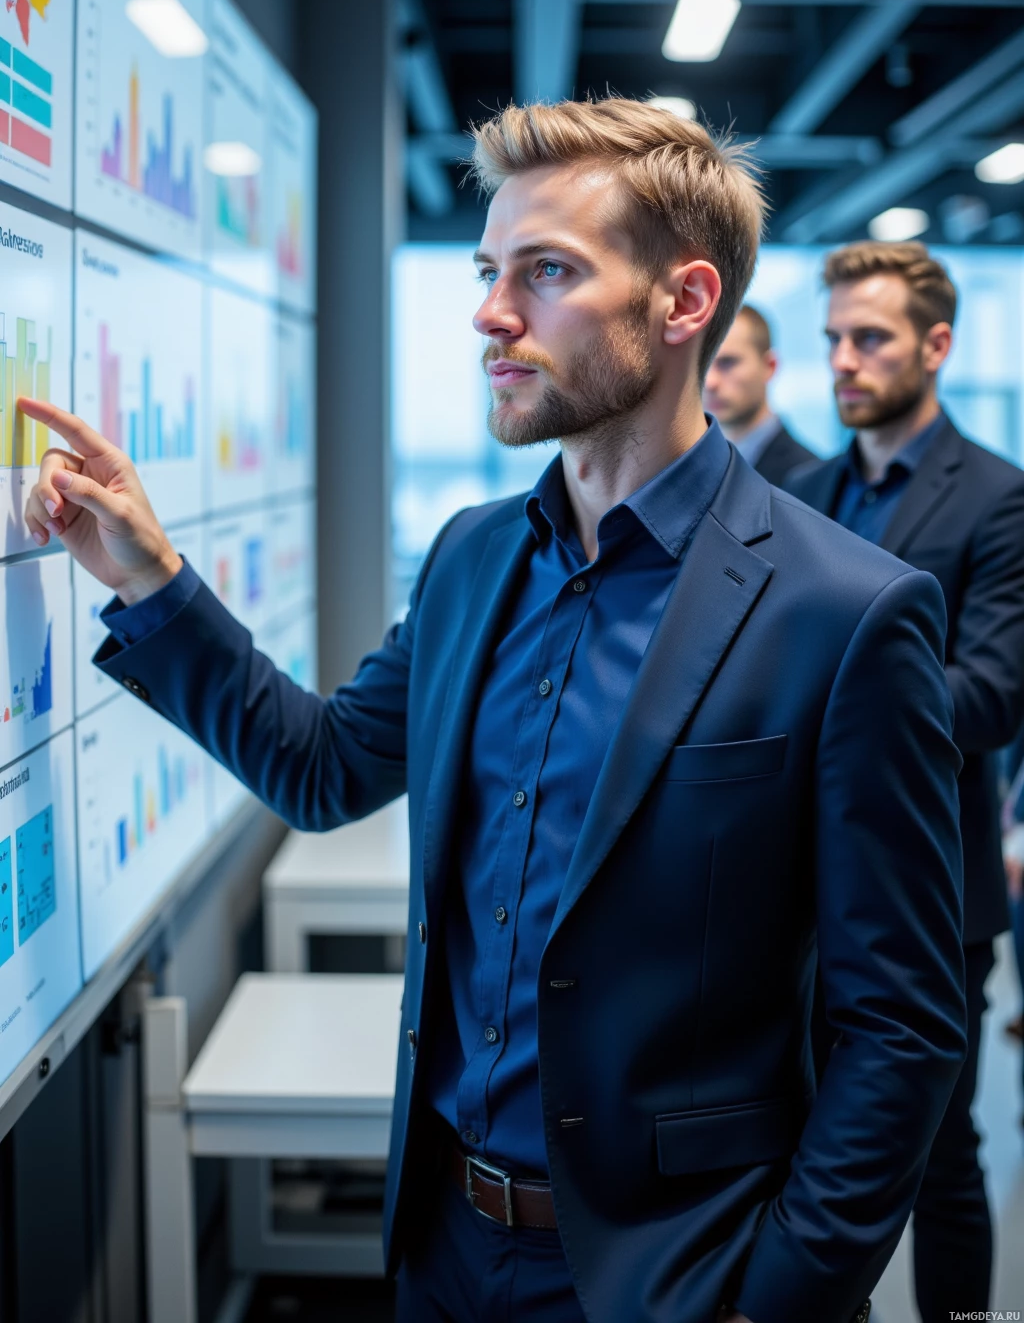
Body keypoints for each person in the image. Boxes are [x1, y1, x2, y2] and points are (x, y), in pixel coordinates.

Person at [20, 101, 966, 1323]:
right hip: (443, 1250)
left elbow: (900, 1025)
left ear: (683, 303)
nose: (490, 313)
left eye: (547, 272)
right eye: (486, 271)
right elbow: (324, 768)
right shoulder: (472, 558)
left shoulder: (844, 611)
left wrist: (778, 1297)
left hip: (676, 1273)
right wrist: (153, 580)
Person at [787, 239, 1024, 1323]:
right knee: (798, 1143)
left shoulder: (999, 499)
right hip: (793, 883)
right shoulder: (801, 493)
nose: (844, 360)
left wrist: (832, 708)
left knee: (936, 1152)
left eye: (870, 338)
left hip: (933, 888)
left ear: (936, 345)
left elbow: (991, 695)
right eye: (834, 338)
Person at [703, 303, 819, 486]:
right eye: (702, 365)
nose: (710, 382)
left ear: (769, 366)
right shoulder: (688, 467)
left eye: (727, 362)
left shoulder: (808, 478)